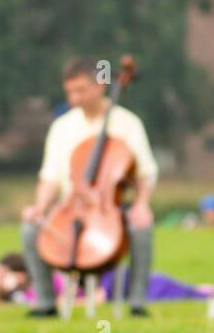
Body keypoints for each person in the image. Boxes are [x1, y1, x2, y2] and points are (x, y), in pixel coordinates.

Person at [20, 56, 159, 318]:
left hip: (111, 206)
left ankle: (138, 302)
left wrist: (142, 204)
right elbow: (50, 177)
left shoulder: (127, 124)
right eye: (70, 91)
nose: (74, 98)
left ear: (101, 86)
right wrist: (39, 207)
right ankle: (46, 303)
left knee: (141, 226)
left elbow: (145, 173)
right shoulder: (62, 127)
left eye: (80, 90)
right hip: (69, 207)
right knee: (31, 227)